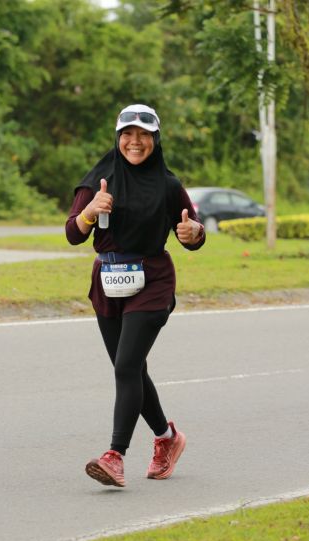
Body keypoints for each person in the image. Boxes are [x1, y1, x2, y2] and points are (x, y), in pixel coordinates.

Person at [66, 103, 205, 488]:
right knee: (131, 369)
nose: (135, 142)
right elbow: (73, 234)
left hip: (152, 280)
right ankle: (167, 438)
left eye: (144, 135)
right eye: (128, 134)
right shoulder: (98, 179)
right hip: (107, 281)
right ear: (118, 137)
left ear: (155, 139)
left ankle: (114, 456)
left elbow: (192, 230)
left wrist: (194, 234)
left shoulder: (168, 185)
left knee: (126, 366)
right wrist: (90, 211)